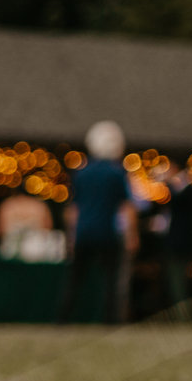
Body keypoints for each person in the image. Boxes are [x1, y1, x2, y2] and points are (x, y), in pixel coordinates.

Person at [57, 120, 137, 325]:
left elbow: (73, 209)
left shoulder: (82, 172)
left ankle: (63, 319)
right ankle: (110, 321)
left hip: (84, 233)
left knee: (75, 280)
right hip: (107, 233)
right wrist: (131, 236)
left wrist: (72, 236)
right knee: (110, 280)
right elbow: (126, 207)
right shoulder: (116, 173)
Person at [161, 164, 192, 306]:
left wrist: (169, 183)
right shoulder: (183, 190)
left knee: (179, 277)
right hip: (175, 242)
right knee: (174, 277)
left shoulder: (189, 190)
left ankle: (181, 308)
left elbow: (179, 203)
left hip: (181, 243)